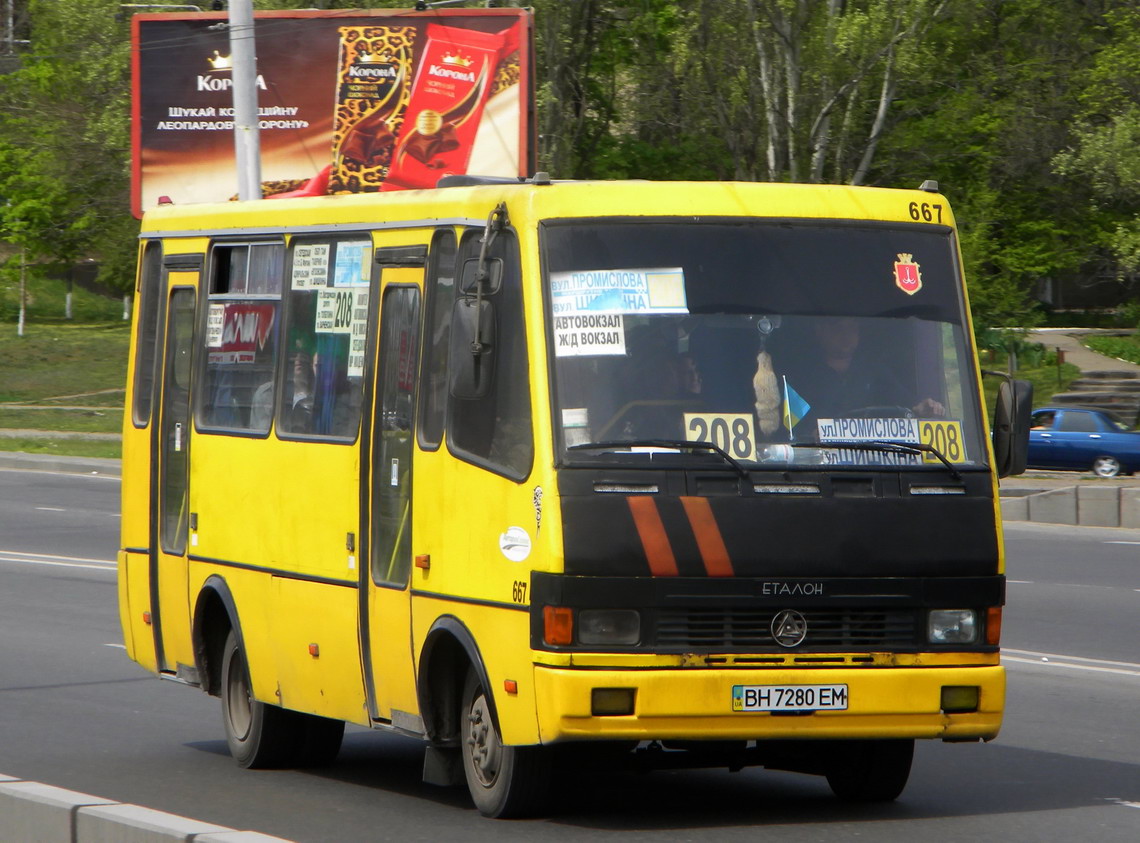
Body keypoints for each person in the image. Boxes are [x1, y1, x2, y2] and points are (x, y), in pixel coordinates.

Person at [781, 316, 945, 430]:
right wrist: (810, 435)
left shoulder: (873, 371)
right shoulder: (802, 376)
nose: (847, 334)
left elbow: (906, 406)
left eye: (852, 327)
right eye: (838, 328)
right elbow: (787, 428)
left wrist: (922, 409)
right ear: (820, 330)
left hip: (869, 458)